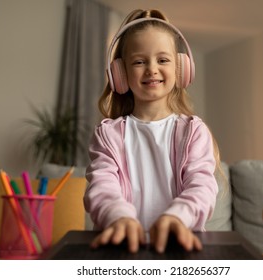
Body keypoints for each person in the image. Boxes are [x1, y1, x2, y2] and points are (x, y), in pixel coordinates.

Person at [84, 9, 222, 254]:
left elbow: (201, 185)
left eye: (163, 60)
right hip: (122, 249)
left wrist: (179, 216)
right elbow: (102, 185)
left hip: (178, 248)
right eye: (139, 61)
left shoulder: (193, 131)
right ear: (120, 73)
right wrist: (117, 216)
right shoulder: (108, 135)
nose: (152, 69)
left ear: (182, 68)